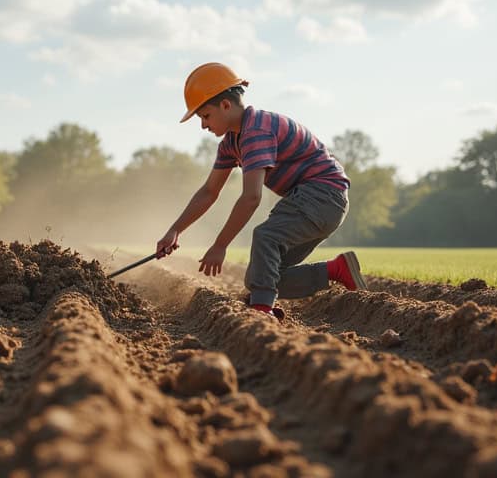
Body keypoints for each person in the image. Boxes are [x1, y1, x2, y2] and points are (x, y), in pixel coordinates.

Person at [156, 62, 366, 318]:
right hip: (315, 201)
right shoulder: (231, 143)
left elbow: (251, 198)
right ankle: (337, 270)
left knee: (265, 237)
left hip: (322, 195)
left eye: (205, 116)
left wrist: (220, 245)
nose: (203, 126)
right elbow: (209, 192)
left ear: (225, 105)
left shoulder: (256, 131)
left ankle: (261, 310)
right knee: (261, 276)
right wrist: (175, 230)